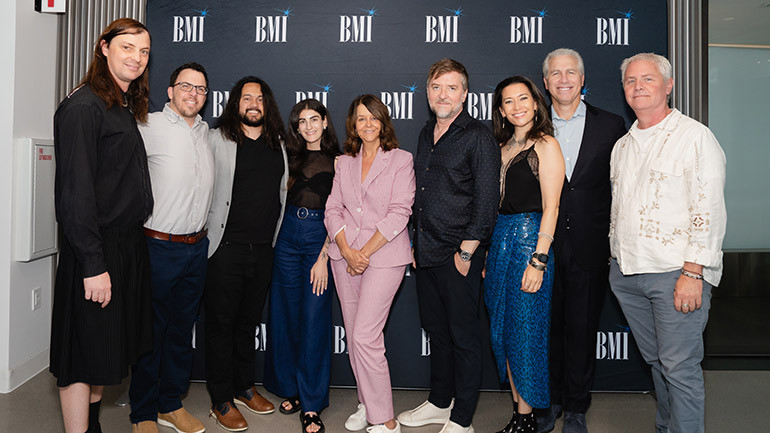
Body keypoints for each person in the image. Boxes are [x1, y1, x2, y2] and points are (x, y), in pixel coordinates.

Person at [609, 53, 726, 433]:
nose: (638, 86)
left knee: (680, 367)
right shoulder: (622, 146)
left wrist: (693, 271)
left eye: (647, 79)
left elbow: (707, 208)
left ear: (668, 85)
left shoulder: (695, 137)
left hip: (677, 273)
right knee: (658, 363)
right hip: (627, 275)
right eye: (630, 81)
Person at [50, 18, 153, 433]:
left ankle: (91, 426)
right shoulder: (84, 106)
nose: (137, 58)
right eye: (127, 47)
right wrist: (93, 265)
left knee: (101, 355)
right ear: (104, 47)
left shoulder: (120, 104)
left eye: (144, 51)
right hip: (95, 250)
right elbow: (75, 196)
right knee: (80, 357)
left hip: (126, 244)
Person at [398, 59, 500, 433]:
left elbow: (487, 200)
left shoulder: (478, 135)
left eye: (452, 87)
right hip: (425, 251)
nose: (444, 94)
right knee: (437, 333)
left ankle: (462, 419)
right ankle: (441, 402)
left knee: (463, 338)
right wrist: (414, 239)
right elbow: (421, 194)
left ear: (465, 94)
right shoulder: (427, 133)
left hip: (459, 254)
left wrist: (467, 251)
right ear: (427, 92)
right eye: (437, 87)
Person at [538, 49, 626, 433]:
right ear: (545, 82)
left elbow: (623, 187)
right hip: (542, 245)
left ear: (582, 78)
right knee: (546, 328)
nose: (563, 79)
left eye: (570, 72)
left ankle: (576, 406)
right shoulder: (532, 124)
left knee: (582, 327)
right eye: (555, 73)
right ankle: (550, 401)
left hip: (590, 245)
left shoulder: (611, 124)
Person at [128, 62, 214, 433]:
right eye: (186, 86)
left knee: (181, 332)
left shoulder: (206, 132)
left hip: (197, 248)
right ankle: (143, 412)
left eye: (200, 89)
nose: (193, 94)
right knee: (152, 332)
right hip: (158, 247)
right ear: (170, 91)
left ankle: (171, 404)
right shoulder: (148, 126)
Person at [325, 94, 415, 433]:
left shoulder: (400, 160)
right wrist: (347, 250)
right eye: (360, 119)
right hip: (344, 257)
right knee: (354, 335)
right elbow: (333, 209)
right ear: (353, 124)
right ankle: (367, 402)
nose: (367, 124)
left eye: (373, 118)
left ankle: (385, 420)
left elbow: (400, 211)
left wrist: (363, 253)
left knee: (365, 336)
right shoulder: (344, 162)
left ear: (383, 122)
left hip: (384, 257)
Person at [205, 76, 287, 432]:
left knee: (246, 324)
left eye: (259, 98)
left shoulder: (279, 144)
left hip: (263, 250)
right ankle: (220, 398)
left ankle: (243, 387)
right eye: (246, 97)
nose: (253, 103)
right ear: (235, 103)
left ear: (267, 105)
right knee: (221, 325)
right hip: (224, 249)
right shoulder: (216, 138)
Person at [484, 76, 564, 433]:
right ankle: (520, 415)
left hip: (530, 241)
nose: (517, 107)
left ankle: (528, 418)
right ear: (501, 109)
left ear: (535, 103)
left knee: (526, 332)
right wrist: (488, 255)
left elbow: (552, 207)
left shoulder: (546, 145)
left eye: (523, 99)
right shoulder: (499, 147)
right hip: (499, 242)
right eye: (508, 101)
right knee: (502, 330)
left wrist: (539, 259)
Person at [263, 99, 341, 433]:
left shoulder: (342, 160)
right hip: (286, 237)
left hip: (318, 240)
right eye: (301, 122)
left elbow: (345, 212)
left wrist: (324, 256)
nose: (307, 126)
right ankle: (290, 388)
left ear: (325, 121)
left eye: (314, 119)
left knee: (313, 320)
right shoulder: (287, 156)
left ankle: (311, 404)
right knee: (284, 316)